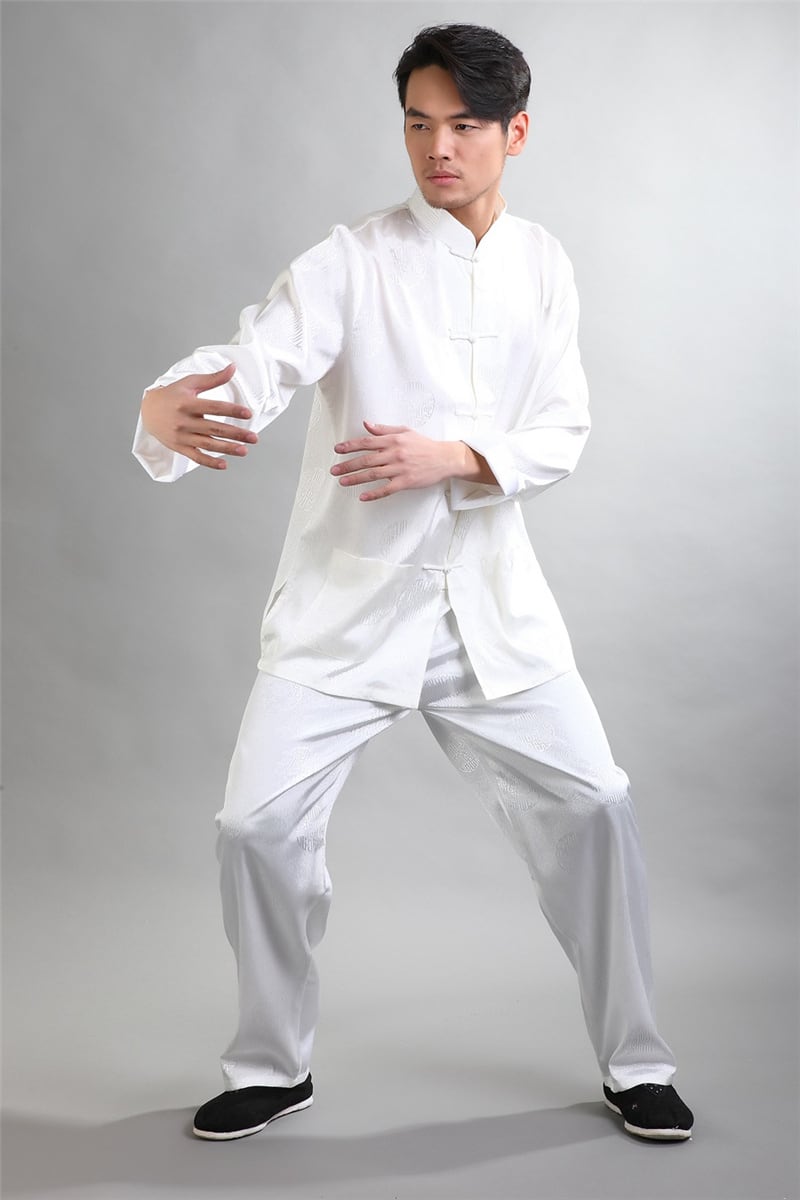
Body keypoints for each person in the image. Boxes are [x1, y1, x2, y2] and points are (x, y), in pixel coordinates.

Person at [133, 23, 694, 1144]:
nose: (438, 147)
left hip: (492, 612)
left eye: (464, 125)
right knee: (254, 827)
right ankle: (272, 1064)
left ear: (514, 133)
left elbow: (563, 429)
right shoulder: (350, 261)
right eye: (417, 123)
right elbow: (261, 354)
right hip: (347, 607)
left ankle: (638, 1063)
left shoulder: (545, 265)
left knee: (596, 805)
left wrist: (454, 457)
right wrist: (166, 403)